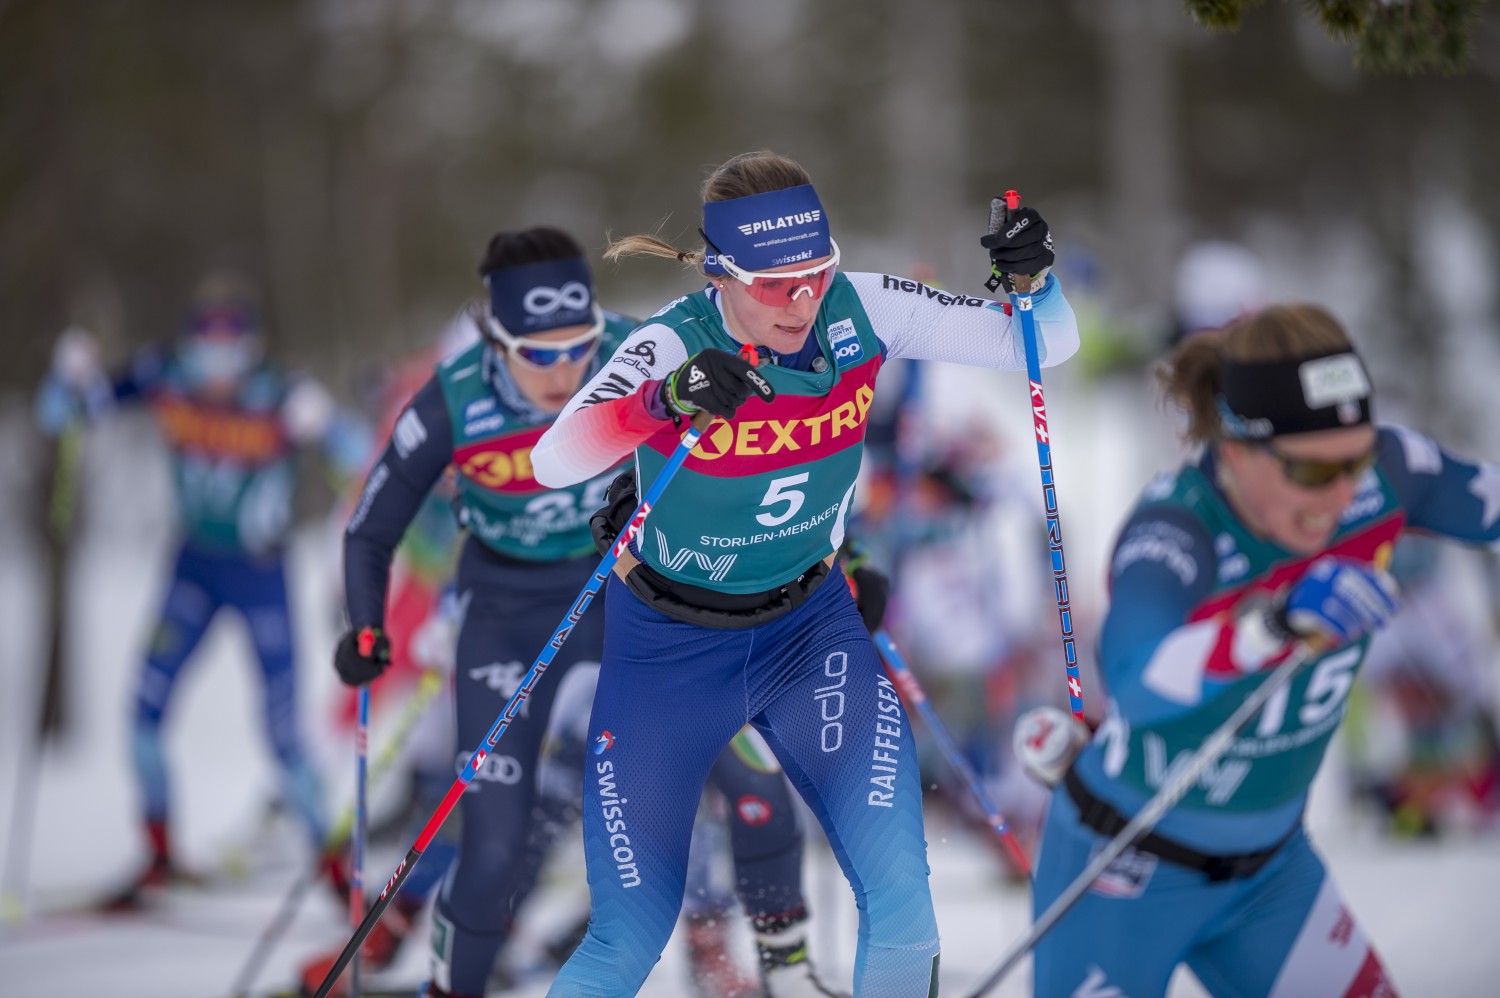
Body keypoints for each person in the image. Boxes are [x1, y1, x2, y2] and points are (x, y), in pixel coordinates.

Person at [530, 149, 1080, 996]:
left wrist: (1033, 284)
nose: (802, 300)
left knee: (903, 909)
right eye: (773, 283)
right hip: (668, 651)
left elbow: (1050, 344)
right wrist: (662, 401)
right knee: (627, 940)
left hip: (807, 633)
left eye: (815, 274)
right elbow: (554, 458)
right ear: (722, 273)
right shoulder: (674, 340)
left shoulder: (864, 305)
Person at [332, 226, 848, 998]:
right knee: (495, 848)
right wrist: (367, 624)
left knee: (754, 783)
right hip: (507, 617)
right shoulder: (453, 397)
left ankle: (783, 973)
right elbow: (372, 527)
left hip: (634, 598)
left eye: (577, 345)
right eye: (537, 353)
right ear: (494, 336)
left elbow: (784, 454)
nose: (565, 369)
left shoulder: (642, 352)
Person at [1023, 302, 1500, 996]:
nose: (1341, 494)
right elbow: (1135, 677)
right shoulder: (1176, 530)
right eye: (1310, 474)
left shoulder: (1388, 476)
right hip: (1122, 872)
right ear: (1237, 448)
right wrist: (1267, 627)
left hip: (1271, 877)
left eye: (1358, 460)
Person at [34, 274, 369, 907]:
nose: (216, 366)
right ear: (189, 348)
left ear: (251, 348)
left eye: (230, 351)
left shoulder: (280, 392)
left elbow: (363, 459)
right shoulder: (165, 377)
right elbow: (62, 414)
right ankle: (159, 854)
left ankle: (335, 874)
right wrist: (70, 377)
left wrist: (326, 423)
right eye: (205, 351)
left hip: (259, 575)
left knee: (281, 734)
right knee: (143, 715)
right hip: (192, 567)